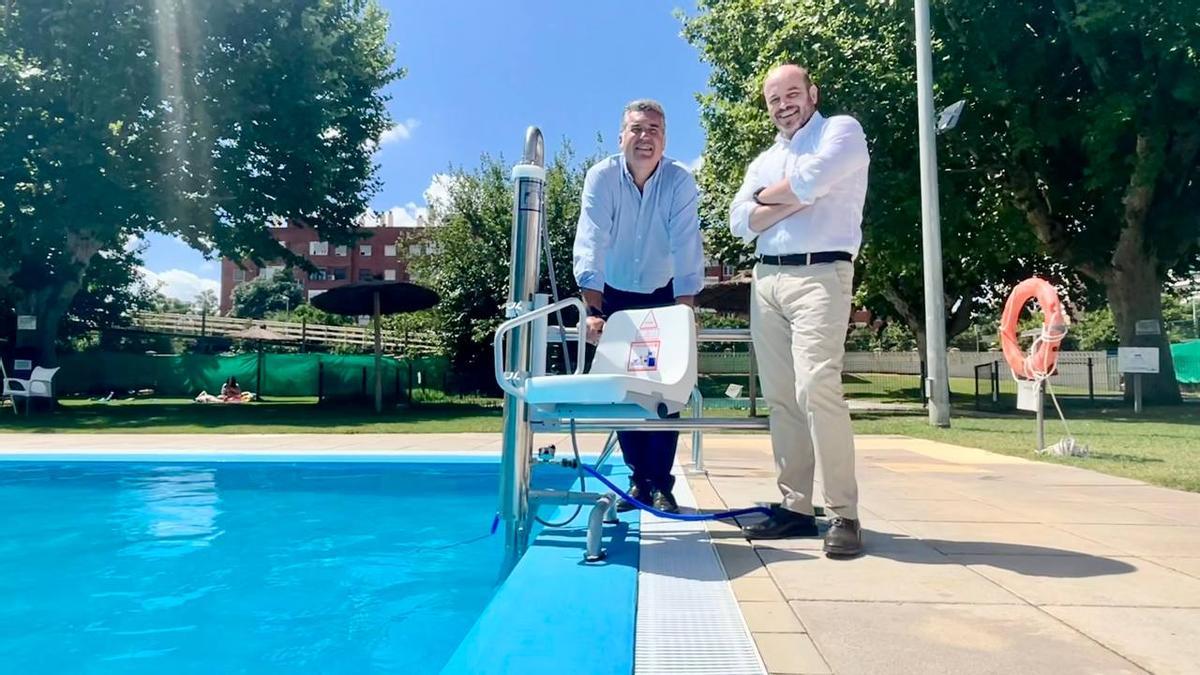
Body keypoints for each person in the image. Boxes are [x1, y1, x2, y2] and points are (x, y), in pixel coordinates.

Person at [727, 65, 870, 557]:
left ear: (812, 93)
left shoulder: (842, 130)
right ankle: (795, 507)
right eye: (773, 98)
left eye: (792, 93)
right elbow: (738, 222)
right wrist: (794, 197)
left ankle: (844, 514)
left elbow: (817, 176)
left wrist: (770, 200)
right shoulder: (766, 158)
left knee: (817, 388)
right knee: (781, 398)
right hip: (766, 279)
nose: (784, 104)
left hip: (821, 275)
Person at [573, 99, 705, 514]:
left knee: (666, 390)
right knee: (623, 389)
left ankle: (663, 483)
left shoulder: (680, 181)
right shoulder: (602, 177)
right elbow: (591, 239)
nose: (645, 137)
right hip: (614, 292)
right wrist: (592, 310)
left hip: (663, 292)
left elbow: (687, 244)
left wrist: (684, 313)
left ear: (664, 140)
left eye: (654, 130)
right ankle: (638, 481)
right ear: (621, 137)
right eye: (637, 129)